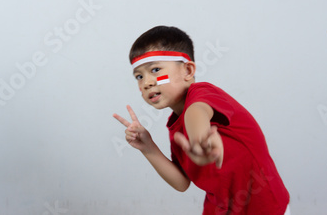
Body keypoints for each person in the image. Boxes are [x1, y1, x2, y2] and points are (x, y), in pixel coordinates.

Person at [113, 26, 290, 214]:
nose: (146, 83)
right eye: (139, 76)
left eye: (155, 69)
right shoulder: (175, 128)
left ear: (188, 70)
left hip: (264, 207)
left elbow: (196, 112)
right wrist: (148, 148)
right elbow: (182, 183)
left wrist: (200, 138)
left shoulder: (204, 94)